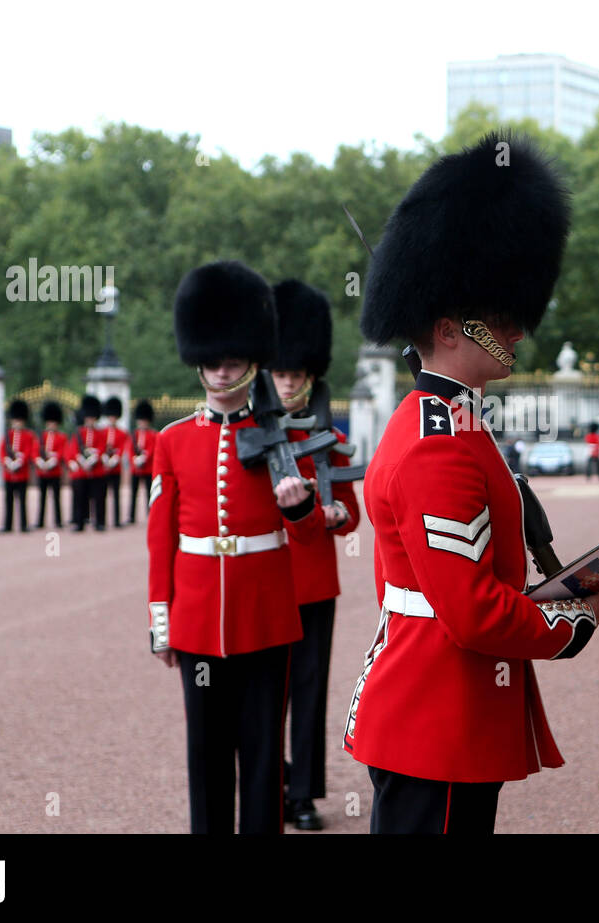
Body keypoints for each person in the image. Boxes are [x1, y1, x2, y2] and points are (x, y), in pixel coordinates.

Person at [343, 132, 599, 835]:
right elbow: (471, 612)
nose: (515, 331)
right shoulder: (439, 445)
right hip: (434, 716)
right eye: (498, 320)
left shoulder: (459, 425)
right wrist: (571, 621)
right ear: (447, 328)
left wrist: (572, 586)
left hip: (450, 710)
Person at [148, 259, 322, 835]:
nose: (220, 373)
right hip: (197, 619)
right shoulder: (172, 441)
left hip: (266, 618)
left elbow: (310, 533)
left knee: (264, 756)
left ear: (252, 360)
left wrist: (299, 507)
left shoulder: (285, 437)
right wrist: (161, 620)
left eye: (231, 362)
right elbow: (161, 538)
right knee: (206, 755)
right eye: (211, 362)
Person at [268, 278, 363, 832]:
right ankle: (270, 781)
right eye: (280, 374)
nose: (287, 384)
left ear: (310, 378)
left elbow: (351, 508)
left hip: (314, 584)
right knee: (265, 696)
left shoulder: (333, 439)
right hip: (265, 578)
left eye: (295, 376)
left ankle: (302, 794)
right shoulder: (251, 437)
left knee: (307, 693)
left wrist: (335, 517)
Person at [65, 396, 105, 532]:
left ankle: (99, 522)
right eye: (88, 418)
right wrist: (82, 461)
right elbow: (73, 450)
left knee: (99, 498)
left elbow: (102, 448)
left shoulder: (100, 433)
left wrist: (92, 459)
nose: (90, 420)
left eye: (92, 418)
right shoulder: (79, 433)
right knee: (80, 498)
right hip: (81, 471)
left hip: (96, 470)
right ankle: (79, 522)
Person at [0, 399, 38, 533]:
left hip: (22, 473)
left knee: (22, 500)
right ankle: (7, 525)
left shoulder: (28, 435)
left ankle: (23, 524)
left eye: (19, 421)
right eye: (15, 420)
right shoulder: (7, 435)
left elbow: (29, 450)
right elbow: (2, 450)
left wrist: (19, 461)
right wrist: (7, 462)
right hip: (8, 473)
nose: (17, 423)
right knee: (8, 501)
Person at [33, 401, 67, 529]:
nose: (51, 424)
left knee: (57, 498)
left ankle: (58, 521)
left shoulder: (61, 437)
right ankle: (40, 521)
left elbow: (62, 452)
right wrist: (40, 462)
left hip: (55, 471)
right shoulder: (41, 437)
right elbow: (35, 451)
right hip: (42, 471)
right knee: (42, 498)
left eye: (53, 422)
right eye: (49, 422)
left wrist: (53, 461)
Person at [100, 396, 128, 528]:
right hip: (104, 467)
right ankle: (103, 520)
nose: (112, 418)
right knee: (102, 495)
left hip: (116, 468)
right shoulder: (103, 432)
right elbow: (100, 447)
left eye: (114, 416)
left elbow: (122, 448)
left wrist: (115, 458)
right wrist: (105, 458)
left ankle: (116, 520)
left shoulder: (122, 433)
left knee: (116, 495)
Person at [128, 400, 157, 525]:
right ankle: (131, 516)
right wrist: (134, 459)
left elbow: (152, 448)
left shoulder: (153, 434)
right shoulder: (134, 434)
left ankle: (150, 514)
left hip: (148, 468)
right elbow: (129, 449)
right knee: (133, 493)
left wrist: (145, 457)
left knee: (148, 493)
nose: (142, 423)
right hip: (135, 468)